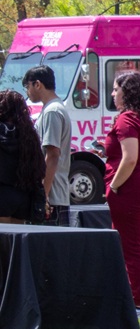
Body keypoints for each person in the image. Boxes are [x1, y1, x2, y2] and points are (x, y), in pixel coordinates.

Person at [104, 72, 140, 320]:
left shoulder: (128, 118)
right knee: (133, 246)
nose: (112, 94)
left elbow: (129, 158)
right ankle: (135, 300)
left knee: (131, 248)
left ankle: (137, 305)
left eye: (115, 89)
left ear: (126, 92)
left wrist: (114, 186)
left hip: (130, 186)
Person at [23, 66, 71, 226]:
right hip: (53, 196)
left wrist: (43, 195)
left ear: (37, 84)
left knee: (50, 250)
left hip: (52, 198)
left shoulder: (52, 111)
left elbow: (52, 155)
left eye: (27, 87)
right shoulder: (52, 109)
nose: (27, 92)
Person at [0, 90, 46, 224]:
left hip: (2, 194)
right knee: (16, 243)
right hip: (23, 198)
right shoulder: (29, 136)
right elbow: (40, 169)